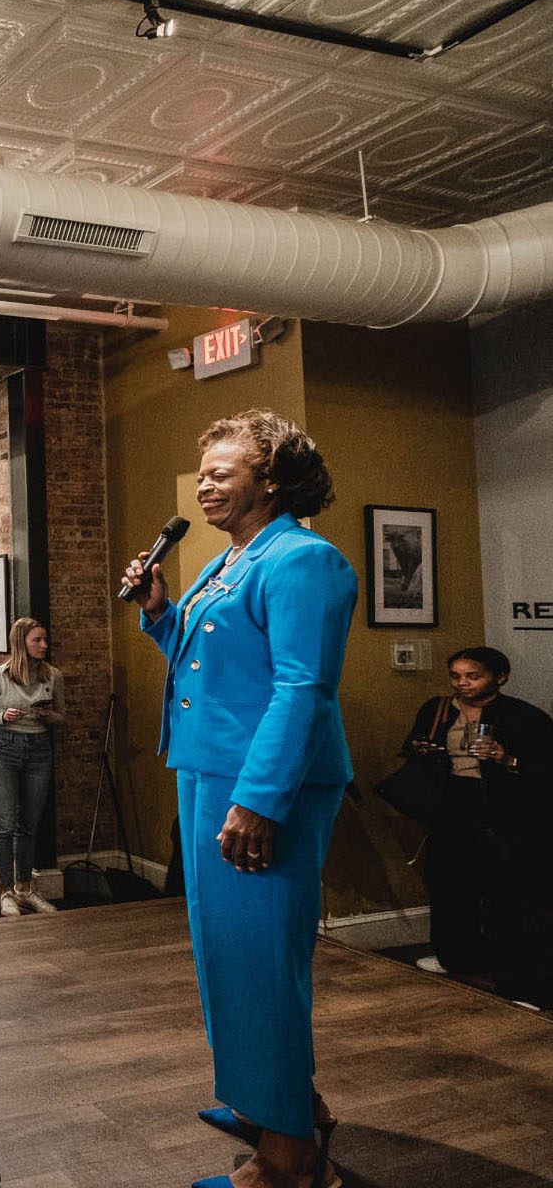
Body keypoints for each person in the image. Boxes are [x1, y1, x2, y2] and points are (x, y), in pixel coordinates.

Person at [122, 408, 353, 1188]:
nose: (206, 484)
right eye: (205, 473)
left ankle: (287, 1161)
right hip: (208, 774)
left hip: (260, 785)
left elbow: (303, 688)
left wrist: (259, 800)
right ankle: (279, 1101)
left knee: (260, 962)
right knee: (228, 959)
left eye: (223, 471)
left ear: (275, 479)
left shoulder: (302, 560)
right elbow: (201, 662)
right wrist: (159, 610)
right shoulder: (229, 560)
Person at [403, 646, 551, 1007]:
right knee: (450, 883)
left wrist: (507, 758)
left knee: (510, 894)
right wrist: (424, 751)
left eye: (473, 676)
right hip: (451, 803)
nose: (463, 683)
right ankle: (459, 957)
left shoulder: (523, 716)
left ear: (498, 677)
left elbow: (545, 768)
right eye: (456, 675)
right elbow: (410, 747)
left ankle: (523, 983)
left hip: (505, 810)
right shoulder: (437, 709)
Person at [0, 619, 64, 907]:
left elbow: (62, 716)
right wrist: (3, 717)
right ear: (21, 642)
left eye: (44, 640)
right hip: (4, 748)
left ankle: (25, 888)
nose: (43, 646)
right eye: (37, 640)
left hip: (38, 748)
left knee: (28, 825)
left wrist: (49, 716)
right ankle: (6, 892)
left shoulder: (53, 676)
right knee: (4, 824)